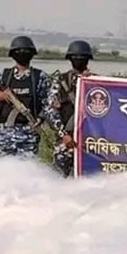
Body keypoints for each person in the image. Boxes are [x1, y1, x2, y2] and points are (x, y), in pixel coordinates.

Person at [0, 35, 53, 158]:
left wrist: (39, 119)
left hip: (29, 132)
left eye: (25, 52)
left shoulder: (39, 77)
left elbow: (48, 103)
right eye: (19, 52)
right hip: (5, 133)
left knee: (27, 170)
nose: (22, 54)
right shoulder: (4, 75)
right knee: (3, 169)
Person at [48, 39, 94, 177]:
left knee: (88, 180)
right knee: (57, 179)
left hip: (88, 141)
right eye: (76, 57)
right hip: (66, 141)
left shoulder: (96, 82)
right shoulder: (60, 81)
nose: (79, 60)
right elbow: (51, 111)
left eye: (82, 57)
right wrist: (64, 135)